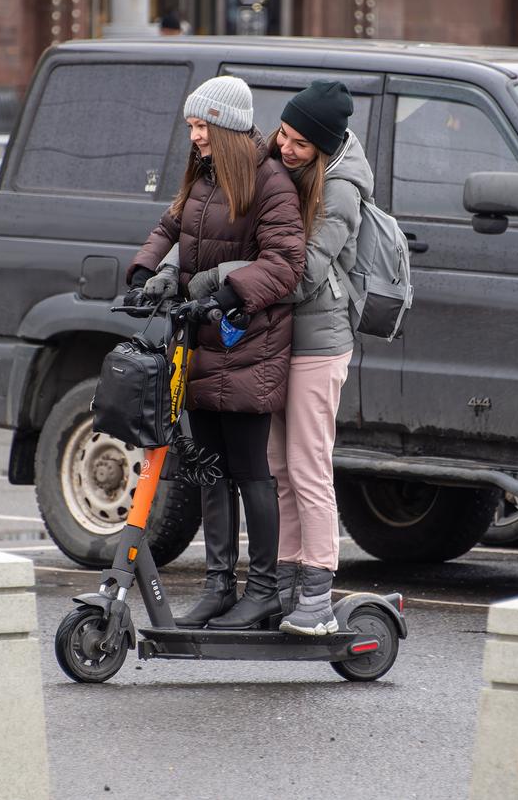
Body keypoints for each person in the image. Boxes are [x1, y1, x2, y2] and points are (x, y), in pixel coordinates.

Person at [189, 80, 370, 635]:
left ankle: (317, 589)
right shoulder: (277, 165)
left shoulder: (340, 190)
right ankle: (284, 583)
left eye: (298, 143)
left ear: (323, 145)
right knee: (276, 467)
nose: (284, 148)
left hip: (319, 341)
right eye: (282, 135)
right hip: (276, 338)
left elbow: (302, 272)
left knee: (309, 465)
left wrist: (223, 278)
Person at [126, 76, 305, 630]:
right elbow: (171, 225)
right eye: (192, 126)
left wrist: (227, 293)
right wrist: (143, 272)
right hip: (200, 342)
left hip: (249, 342)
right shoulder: (204, 177)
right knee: (208, 468)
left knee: (251, 470)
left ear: (226, 126)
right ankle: (218, 586)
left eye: (202, 125)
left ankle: (266, 590)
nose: (195, 135)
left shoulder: (270, 181)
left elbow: (284, 263)